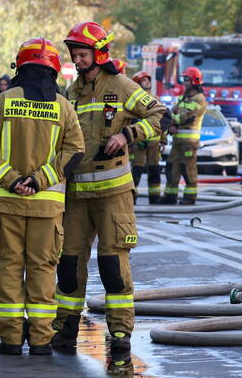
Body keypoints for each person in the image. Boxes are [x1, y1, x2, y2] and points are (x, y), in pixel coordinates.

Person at [53, 22, 167, 360]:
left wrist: (127, 136)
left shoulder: (121, 86)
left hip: (113, 194)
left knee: (112, 266)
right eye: (74, 54)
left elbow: (162, 115)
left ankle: (119, 334)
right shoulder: (70, 93)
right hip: (75, 196)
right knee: (69, 263)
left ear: (99, 53)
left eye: (83, 53)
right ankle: (65, 328)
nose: (78, 59)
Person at [0, 38, 84, 355]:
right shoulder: (63, 107)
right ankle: (39, 341)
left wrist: (13, 181)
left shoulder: (3, 101)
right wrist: (38, 181)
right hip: (47, 207)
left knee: (8, 269)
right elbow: (75, 152)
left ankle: (10, 340)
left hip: (6, 203)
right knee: (42, 271)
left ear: (20, 68)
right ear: (52, 71)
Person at [162, 67, 207, 205]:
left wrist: (173, 121)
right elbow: (171, 114)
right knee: (171, 167)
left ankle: (189, 197)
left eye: (187, 80)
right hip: (177, 142)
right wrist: (170, 124)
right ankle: (170, 196)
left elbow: (186, 117)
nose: (184, 83)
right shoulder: (182, 98)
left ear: (194, 81)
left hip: (189, 142)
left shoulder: (199, 99)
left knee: (188, 169)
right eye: (184, 80)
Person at [129, 71, 165, 204]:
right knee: (136, 170)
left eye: (147, 80)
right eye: (143, 80)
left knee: (154, 171)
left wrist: (163, 140)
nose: (147, 82)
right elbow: (130, 122)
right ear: (138, 84)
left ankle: (154, 197)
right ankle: (131, 197)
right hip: (139, 143)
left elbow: (163, 121)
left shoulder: (156, 100)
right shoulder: (133, 102)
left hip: (154, 144)